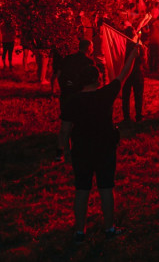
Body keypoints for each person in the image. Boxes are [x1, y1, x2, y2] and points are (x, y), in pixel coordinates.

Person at [61, 45, 139, 244]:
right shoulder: (105, 94)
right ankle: (109, 228)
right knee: (106, 188)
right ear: (97, 79)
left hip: (81, 150)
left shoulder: (73, 100)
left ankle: (80, 232)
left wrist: (66, 152)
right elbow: (124, 72)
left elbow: (65, 130)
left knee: (81, 190)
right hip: (104, 148)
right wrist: (134, 51)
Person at [54, 39, 95, 161]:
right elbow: (91, 82)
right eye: (92, 47)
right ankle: (79, 151)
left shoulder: (68, 59)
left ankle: (61, 152)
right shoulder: (88, 62)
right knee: (81, 125)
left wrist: (65, 87)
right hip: (81, 97)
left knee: (65, 125)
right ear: (88, 48)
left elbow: (59, 74)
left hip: (66, 95)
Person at [121, 25, 145, 123]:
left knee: (126, 95)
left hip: (126, 73)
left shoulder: (123, 46)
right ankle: (138, 116)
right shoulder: (138, 45)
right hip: (137, 72)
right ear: (134, 34)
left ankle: (126, 116)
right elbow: (143, 59)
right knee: (138, 95)